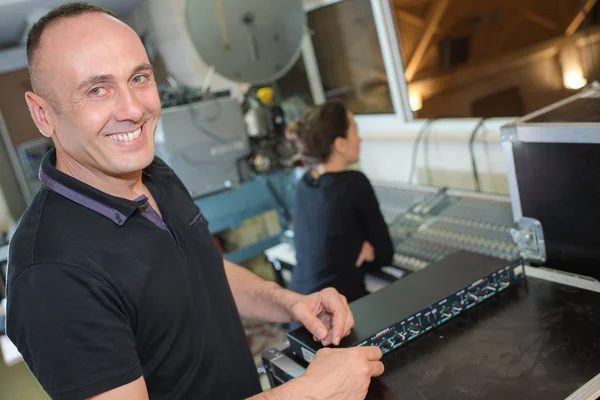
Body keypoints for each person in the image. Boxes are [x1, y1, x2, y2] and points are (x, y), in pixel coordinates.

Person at [5, 3, 384, 400]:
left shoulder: (155, 173)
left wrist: (291, 304)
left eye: (139, 78)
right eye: (97, 89)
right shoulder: (49, 274)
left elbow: (199, 269)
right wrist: (312, 392)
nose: (133, 109)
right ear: (42, 114)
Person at [289, 103, 394, 303]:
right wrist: (365, 250)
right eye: (354, 131)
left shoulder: (304, 184)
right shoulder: (354, 183)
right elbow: (384, 256)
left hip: (300, 308)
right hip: (336, 313)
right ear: (340, 144)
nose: (359, 139)